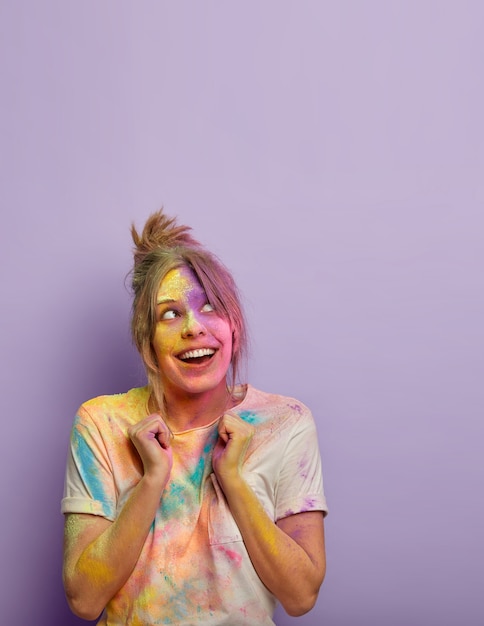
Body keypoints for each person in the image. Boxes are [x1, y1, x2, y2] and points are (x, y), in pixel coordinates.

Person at [61, 210, 327, 625]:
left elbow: (300, 595)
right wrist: (152, 480)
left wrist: (234, 481)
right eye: (170, 314)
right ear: (147, 342)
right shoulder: (101, 423)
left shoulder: (284, 423)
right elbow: (84, 599)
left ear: (233, 328)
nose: (194, 328)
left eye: (210, 307)